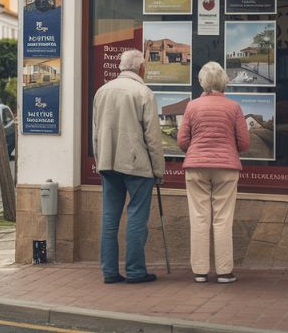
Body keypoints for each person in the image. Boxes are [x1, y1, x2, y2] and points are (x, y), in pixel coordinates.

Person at [93, 49, 165, 284]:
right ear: (141, 68)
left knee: (109, 219)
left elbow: (95, 133)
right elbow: (153, 137)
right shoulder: (144, 93)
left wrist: (99, 160)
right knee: (136, 217)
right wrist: (158, 170)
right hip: (137, 164)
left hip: (108, 161)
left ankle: (110, 272)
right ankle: (135, 271)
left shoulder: (101, 92)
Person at [177, 61, 250, 284]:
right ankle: (224, 271)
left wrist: (197, 150)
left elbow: (182, 141)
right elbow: (244, 142)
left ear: (202, 82)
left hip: (196, 166)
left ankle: (200, 271)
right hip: (226, 168)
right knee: (223, 219)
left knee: (199, 218)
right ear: (223, 82)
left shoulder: (192, 106)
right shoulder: (234, 107)